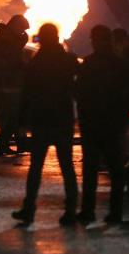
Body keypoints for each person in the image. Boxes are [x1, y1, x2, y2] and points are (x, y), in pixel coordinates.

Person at [12, 24, 79, 226]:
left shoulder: (36, 63)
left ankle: (29, 209)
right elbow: (78, 87)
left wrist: (22, 122)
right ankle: (70, 211)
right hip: (62, 120)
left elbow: (27, 94)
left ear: (42, 39)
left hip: (41, 121)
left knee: (36, 168)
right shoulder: (69, 60)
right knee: (67, 167)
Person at [75, 25, 129, 225]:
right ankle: (115, 212)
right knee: (116, 171)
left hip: (94, 124)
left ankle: (88, 211)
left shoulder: (89, 64)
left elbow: (79, 93)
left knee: (91, 170)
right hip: (113, 124)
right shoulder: (121, 64)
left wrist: (84, 119)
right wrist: (123, 118)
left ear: (95, 40)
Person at [0, 15, 30, 156]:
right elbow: (12, 57)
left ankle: (21, 144)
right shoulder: (5, 40)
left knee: (17, 117)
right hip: (8, 86)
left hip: (12, 84)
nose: (22, 32)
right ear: (15, 26)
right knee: (11, 118)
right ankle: (2, 146)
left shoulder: (8, 38)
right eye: (21, 29)